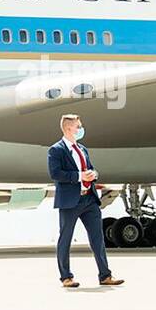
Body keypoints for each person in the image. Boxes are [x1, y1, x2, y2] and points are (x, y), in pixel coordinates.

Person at [48, 114, 125, 289]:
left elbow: (90, 168)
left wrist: (94, 174)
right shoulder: (56, 150)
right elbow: (56, 174)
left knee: (98, 239)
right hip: (70, 201)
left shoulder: (82, 149)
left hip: (89, 199)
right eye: (78, 126)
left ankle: (105, 275)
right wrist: (78, 176)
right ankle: (66, 277)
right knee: (65, 239)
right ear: (68, 128)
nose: (81, 129)